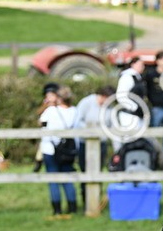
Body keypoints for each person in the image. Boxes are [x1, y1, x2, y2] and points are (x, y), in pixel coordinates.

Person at [40, 86, 79, 218]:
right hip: (68, 150)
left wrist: (46, 105)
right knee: (68, 179)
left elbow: (41, 122)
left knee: (53, 180)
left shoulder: (51, 111)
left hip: (51, 149)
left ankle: (57, 210)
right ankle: (72, 208)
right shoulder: (75, 111)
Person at [75, 85, 115, 173]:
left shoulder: (110, 108)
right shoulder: (86, 102)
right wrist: (92, 131)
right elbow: (77, 121)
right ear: (104, 96)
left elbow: (112, 125)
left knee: (98, 169)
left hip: (101, 143)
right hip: (85, 142)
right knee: (84, 168)